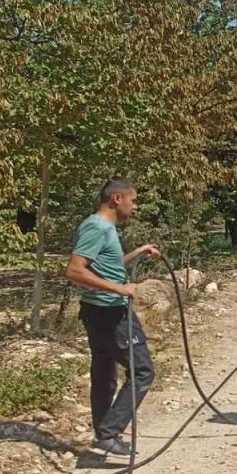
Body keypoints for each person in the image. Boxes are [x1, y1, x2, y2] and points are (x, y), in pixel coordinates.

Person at [64, 180, 160, 459]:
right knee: (142, 372)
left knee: (105, 374)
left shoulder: (104, 228)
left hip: (99, 311)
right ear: (117, 198)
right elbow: (74, 271)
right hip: (111, 312)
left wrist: (139, 252)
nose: (135, 205)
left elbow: (110, 266)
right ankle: (108, 434)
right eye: (133, 200)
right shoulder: (97, 226)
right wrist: (121, 289)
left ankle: (104, 436)